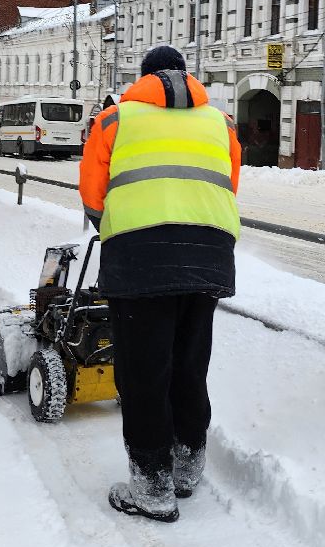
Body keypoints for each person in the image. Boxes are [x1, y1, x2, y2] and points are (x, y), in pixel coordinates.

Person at [79, 44, 242, 523]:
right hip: (209, 254)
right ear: (187, 77)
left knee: (144, 374)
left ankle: (152, 488)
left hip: (139, 258)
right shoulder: (222, 123)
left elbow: (93, 194)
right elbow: (228, 184)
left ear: (144, 78)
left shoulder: (114, 120)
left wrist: (120, 228)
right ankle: (187, 470)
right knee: (190, 366)